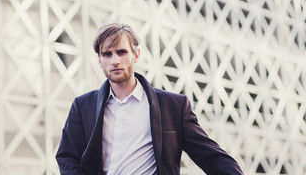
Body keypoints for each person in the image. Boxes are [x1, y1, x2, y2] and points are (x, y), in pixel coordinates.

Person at [56, 23, 243, 175]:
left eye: (121, 52)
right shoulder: (83, 107)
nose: (115, 61)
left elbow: (211, 157)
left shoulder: (173, 107)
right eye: (107, 54)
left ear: (135, 55)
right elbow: (67, 157)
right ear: (99, 60)